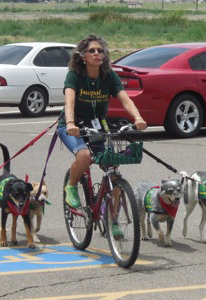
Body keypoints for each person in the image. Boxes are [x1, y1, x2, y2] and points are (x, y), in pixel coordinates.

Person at [56, 34, 147, 211]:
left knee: (113, 166)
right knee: (83, 156)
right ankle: (72, 186)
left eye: (100, 50)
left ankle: (110, 217)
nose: (97, 53)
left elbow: (126, 100)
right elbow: (70, 101)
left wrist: (138, 118)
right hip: (73, 126)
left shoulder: (109, 76)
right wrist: (69, 123)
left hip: (96, 125)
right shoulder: (74, 75)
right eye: (92, 51)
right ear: (82, 56)